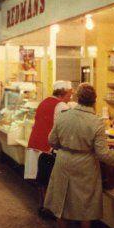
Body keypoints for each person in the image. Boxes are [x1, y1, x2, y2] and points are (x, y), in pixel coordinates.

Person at [44, 83, 114, 228]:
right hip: (85, 166)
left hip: (63, 163)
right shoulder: (96, 122)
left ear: (77, 98)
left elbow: (52, 141)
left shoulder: (63, 116)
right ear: (94, 101)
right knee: (85, 209)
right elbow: (103, 154)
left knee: (62, 206)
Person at [25, 81, 73, 217]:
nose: (71, 96)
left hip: (36, 143)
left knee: (41, 179)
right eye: (70, 94)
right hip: (48, 146)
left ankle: (42, 206)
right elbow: (66, 127)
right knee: (48, 179)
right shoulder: (62, 105)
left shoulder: (45, 101)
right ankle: (49, 209)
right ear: (64, 93)